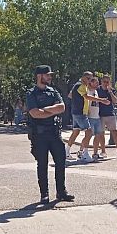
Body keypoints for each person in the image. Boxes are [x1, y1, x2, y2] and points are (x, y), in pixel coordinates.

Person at [26, 65, 75, 204]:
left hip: (54, 133)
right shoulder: (31, 93)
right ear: (39, 76)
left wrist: (44, 110)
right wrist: (51, 111)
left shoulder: (53, 92)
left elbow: (62, 107)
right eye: (47, 75)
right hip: (39, 135)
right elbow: (34, 113)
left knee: (60, 162)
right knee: (42, 164)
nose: (50, 77)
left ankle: (61, 192)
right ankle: (44, 194)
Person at [65, 71, 97, 162]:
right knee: (89, 132)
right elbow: (87, 97)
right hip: (80, 113)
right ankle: (84, 154)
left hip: (76, 112)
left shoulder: (78, 85)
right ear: (83, 77)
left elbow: (70, 95)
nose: (89, 81)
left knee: (76, 132)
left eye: (91, 79)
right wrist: (101, 100)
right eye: (88, 78)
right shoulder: (80, 85)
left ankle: (66, 152)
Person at [98, 75, 117, 157]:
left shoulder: (112, 90)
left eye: (107, 82)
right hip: (100, 115)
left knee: (114, 132)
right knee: (101, 133)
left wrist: (110, 92)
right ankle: (103, 151)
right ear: (101, 82)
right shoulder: (97, 90)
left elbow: (115, 101)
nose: (106, 83)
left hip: (110, 114)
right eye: (104, 81)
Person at [86, 76, 110, 159]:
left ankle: (95, 153)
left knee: (98, 135)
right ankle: (82, 151)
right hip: (90, 116)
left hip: (97, 117)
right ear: (91, 83)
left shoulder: (96, 91)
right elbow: (88, 99)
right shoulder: (87, 91)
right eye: (95, 82)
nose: (97, 84)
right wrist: (101, 100)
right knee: (88, 135)